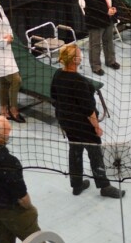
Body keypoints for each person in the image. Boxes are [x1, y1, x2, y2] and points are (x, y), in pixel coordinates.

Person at [50, 44, 124, 198]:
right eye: (79, 54)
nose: (81, 56)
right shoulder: (79, 82)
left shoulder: (57, 74)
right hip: (83, 126)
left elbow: (54, 97)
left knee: (75, 151)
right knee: (95, 154)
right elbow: (89, 110)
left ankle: (76, 184)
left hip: (67, 123)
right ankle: (104, 187)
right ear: (74, 60)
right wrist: (96, 127)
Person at [80, 0, 120, 76]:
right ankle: (96, 66)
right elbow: (91, 1)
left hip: (109, 15)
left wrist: (114, 8)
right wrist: (105, 10)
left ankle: (110, 61)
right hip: (95, 17)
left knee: (109, 40)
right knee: (95, 43)